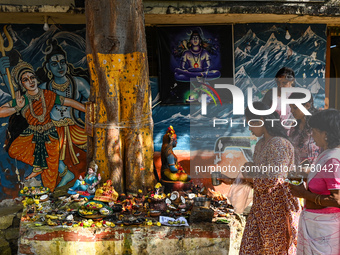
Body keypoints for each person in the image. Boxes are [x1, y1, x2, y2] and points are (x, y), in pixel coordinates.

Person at [219, 102, 301, 254]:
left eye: (250, 123)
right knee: (249, 249)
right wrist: (232, 180)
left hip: (277, 210)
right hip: (260, 209)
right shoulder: (261, 144)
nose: (249, 128)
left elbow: (273, 180)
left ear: (262, 120)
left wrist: (249, 174)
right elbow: (257, 180)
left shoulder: (279, 144)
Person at [0, 60, 85, 192]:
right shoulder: (23, 99)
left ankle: (50, 196)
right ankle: (39, 165)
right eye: (26, 79)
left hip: (49, 135)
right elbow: (1, 111)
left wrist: (87, 109)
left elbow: (68, 102)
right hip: (31, 135)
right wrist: (17, 107)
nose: (31, 81)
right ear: (22, 84)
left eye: (32, 77)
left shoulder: (48, 95)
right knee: (14, 150)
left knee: (49, 178)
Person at [37, 39, 90, 187]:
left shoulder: (78, 83)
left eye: (62, 62)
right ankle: (65, 173)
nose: (60, 66)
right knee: (40, 146)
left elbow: (94, 102)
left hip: (75, 126)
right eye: (54, 64)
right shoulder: (44, 88)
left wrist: (87, 107)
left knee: (95, 143)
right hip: (53, 129)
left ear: (67, 63)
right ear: (48, 67)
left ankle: (91, 178)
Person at [289, 109, 340, 255]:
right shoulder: (326, 154)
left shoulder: (333, 159)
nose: (312, 135)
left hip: (325, 230)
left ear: (326, 134)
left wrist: (304, 194)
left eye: (315, 131)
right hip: (316, 226)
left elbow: (337, 199)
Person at [288, 92, 320, 165]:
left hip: (316, 169)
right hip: (298, 171)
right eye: (291, 107)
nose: (292, 111)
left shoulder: (318, 125)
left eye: (295, 107)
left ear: (307, 105)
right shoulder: (294, 127)